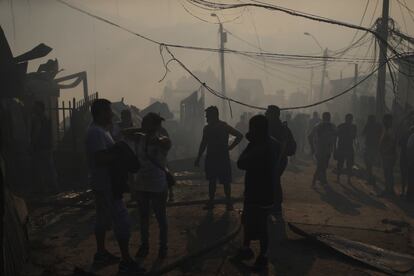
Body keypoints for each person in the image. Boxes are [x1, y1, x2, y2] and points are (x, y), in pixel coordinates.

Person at [85, 99, 144, 274]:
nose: (112, 114)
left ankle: (101, 253)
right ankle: (126, 262)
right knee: (123, 221)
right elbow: (100, 159)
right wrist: (120, 153)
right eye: (109, 111)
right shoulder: (96, 133)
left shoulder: (102, 131)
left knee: (102, 219)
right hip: (107, 184)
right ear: (101, 113)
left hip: (104, 183)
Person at [233, 114, 281, 272]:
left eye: (251, 127)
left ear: (257, 129)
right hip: (266, 189)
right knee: (250, 221)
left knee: (259, 225)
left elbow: (241, 163)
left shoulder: (260, 145)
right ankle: (248, 250)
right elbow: (281, 165)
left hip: (257, 191)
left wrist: (251, 142)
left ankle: (262, 257)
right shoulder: (274, 143)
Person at [131, 112, 171, 259]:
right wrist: (142, 130)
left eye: (146, 122)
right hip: (142, 183)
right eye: (142, 122)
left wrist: (152, 134)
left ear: (155, 125)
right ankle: (145, 245)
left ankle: (163, 247)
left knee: (160, 217)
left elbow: (165, 143)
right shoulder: (140, 138)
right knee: (143, 217)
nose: (142, 125)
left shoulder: (163, 139)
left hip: (157, 183)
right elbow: (123, 132)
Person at [194, 106, 243, 211]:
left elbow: (239, 135)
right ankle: (225, 203)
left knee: (218, 181)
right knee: (221, 181)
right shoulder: (218, 127)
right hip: (219, 157)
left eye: (207, 116)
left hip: (216, 157)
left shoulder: (217, 127)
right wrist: (230, 147)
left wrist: (230, 147)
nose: (206, 118)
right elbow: (239, 136)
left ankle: (221, 203)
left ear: (213, 116)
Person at [265, 105, 296, 221]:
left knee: (274, 181)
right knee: (272, 182)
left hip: (278, 159)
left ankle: (276, 207)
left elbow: (287, 146)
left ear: (272, 115)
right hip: (271, 159)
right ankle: (273, 206)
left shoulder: (280, 128)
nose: (265, 114)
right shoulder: (270, 127)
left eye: (267, 112)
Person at [31, 101, 58, 193]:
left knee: (42, 169)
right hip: (46, 146)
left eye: (36, 107)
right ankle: (52, 187)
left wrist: (32, 144)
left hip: (41, 147)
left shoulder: (39, 119)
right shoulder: (47, 118)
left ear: (40, 108)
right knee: (49, 168)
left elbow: (36, 133)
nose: (34, 109)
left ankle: (46, 188)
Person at [308, 112, 337, 185]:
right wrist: (335, 148)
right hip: (325, 149)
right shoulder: (331, 126)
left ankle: (321, 179)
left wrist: (312, 148)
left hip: (320, 149)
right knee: (322, 165)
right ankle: (315, 179)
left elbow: (309, 136)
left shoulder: (318, 125)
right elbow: (335, 137)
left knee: (323, 165)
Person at [335, 114, 357, 184]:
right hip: (344, 147)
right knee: (342, 163)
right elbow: (354, 137)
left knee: (346, 164)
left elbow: (354, 137)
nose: (349, 120)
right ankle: (344, 179)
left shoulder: (342, 126)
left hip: (345, 146)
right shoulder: (352, 126)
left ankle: (345, 179)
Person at [379, 114, 397, 196]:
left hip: (389, 156)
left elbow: (391, 143)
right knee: (387, 173)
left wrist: (384, 151)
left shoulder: (390, 130)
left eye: (386, 120)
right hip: (386, 155)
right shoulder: (386, 130)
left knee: (388, 173)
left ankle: (389, 190)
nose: (384, 122)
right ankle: (389, 189)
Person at [362, 115, 382, 185]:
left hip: (369, 146)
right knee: (373, 164)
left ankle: (371, 179)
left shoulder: (368, 125)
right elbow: (380, 135)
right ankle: (372, 179)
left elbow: (362, 134)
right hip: (375, 147)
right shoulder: (378, 125)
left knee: (368, 164)